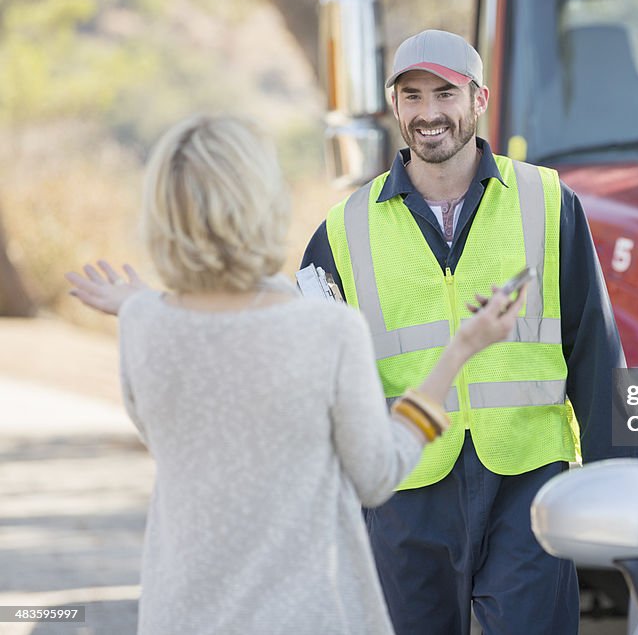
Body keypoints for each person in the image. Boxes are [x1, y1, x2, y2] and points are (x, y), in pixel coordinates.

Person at [66, 114, 525, 635]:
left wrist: (143, 302)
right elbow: (377, 475)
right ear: (262, 204)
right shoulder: (327, 331)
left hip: (181, 616)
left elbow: (205, 365)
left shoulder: (143, 325)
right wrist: (458, 351)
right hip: (306, 616)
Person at [299, 29, 638, 635]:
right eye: (412, 96)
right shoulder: (342, 230)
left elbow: (594, 349)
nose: (429, 113)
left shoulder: (547, 201)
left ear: (479, 99)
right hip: (404, 490)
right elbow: (312, 375)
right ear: (395, 108)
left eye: (445, 93)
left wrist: (622, 488)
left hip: (527, 481)